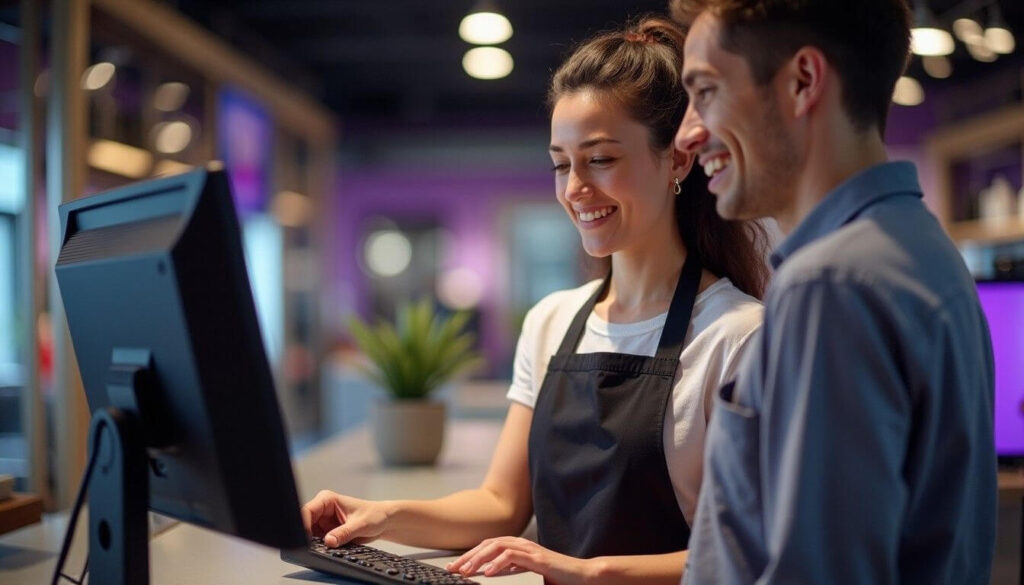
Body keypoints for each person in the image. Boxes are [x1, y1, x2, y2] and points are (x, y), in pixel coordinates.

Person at [302, 16, 770, 585]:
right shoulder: (553, 321)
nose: (575, 188)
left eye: (600, 159)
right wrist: (382, 516)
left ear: (676, 159)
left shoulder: (738, 336)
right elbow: (501, 502)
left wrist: (585, 572)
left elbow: (746, 555)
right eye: (560, 163)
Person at [669, 1, 998, 583]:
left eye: (707, 92)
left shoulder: (831, 284)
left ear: (802, 82)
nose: (688, 133)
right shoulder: (921, 247)